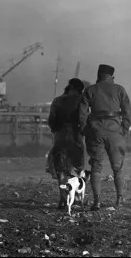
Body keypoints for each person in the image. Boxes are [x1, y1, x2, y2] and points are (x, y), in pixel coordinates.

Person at [78, 64, 131, 211]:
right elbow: (128, 113)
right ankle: (119, 199)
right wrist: (124, 130)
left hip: (96, 131)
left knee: (96, 166)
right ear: (112, 77)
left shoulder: (90, 90)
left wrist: (85, 130)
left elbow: (82, 113)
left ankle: (97, 201)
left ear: (98, 75)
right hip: (115, 131)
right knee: (118, 167)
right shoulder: (119, 89)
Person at [48, 78, 86, 209]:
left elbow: (51, 120)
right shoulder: (82, 100)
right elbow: (83, 118)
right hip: (76, 137)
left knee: (61, 170)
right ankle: (74, 198)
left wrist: (56, 130)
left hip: (60, 137)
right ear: (80, 89)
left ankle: (63, 199)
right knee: (76, 167)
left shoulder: (57, 101)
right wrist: (83, 131)